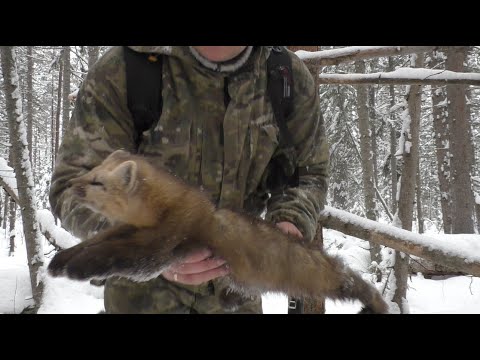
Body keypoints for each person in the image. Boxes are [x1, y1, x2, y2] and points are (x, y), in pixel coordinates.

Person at [49, 46, 329, 314]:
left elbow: (306, 174)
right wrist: (150, 247)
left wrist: (288, 222)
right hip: (141, 301)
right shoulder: (126, 69)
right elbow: (72, 188)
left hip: (236, 295)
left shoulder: (285, 77)